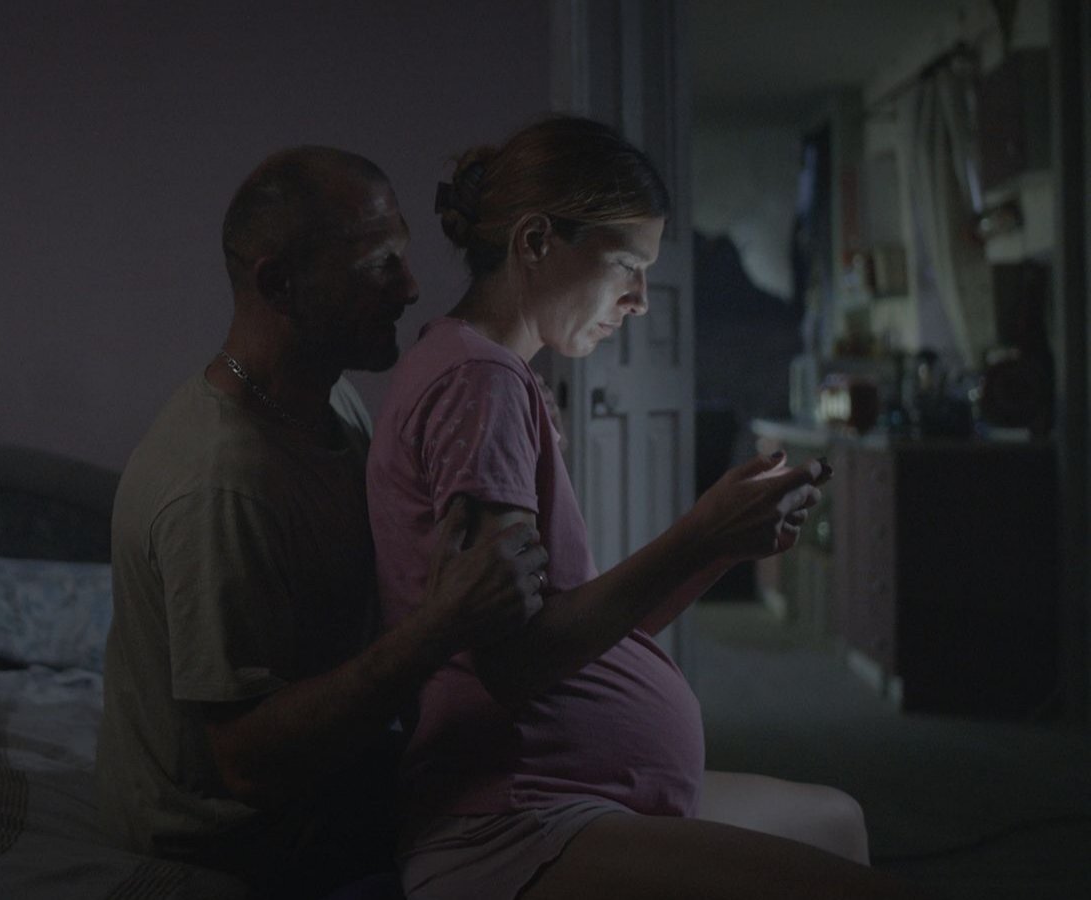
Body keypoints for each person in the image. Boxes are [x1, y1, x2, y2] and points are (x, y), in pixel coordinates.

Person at [366, 116, 923, 900]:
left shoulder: (484, 371)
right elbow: (514, 663)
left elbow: (578, 632)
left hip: (570, 791)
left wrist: (721, 544)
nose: (640, 301)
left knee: (837, 820)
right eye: (627, 265)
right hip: (516, 818)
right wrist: (698, 532)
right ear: (536, 241)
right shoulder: (478, 381)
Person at [96, 146, 549, 900]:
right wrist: (440, 628)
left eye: (403, 256)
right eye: (377, 265)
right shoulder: (220, 485)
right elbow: (247, 765)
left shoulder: (326, 399)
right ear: (278, 283)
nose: (410, 288)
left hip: (332, 783)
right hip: (239, 839)